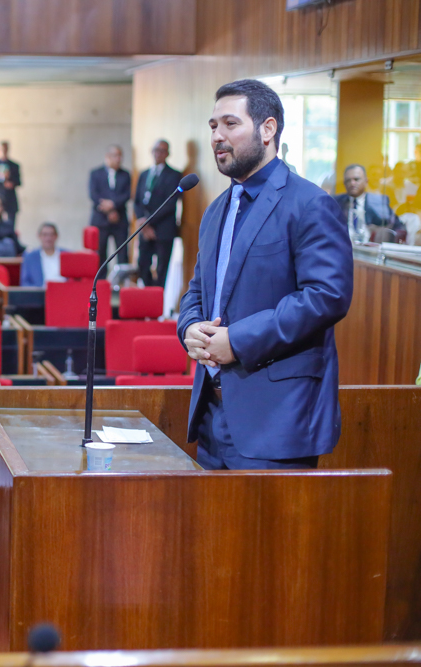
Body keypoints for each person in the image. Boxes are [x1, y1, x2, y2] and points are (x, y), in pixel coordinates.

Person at [178, 78, 353, 470]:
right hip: (211, 415)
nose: (217, 137)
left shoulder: (309, 204)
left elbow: (326, 297)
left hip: (278, 422)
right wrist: (188, 328)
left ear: (268, 129)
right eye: (212, 126)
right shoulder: (216, 209)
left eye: (230, 124)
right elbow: (199, 290)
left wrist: (237, 341)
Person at [133, 140, 183, 288]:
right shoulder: (144, 174)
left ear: (167, 154)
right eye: (156, 150)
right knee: (142, 263)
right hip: (145, 228)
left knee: (161, 268)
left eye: (162, 151)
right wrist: (143, 221)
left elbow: (170, 204)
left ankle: (158, 300)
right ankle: (148, 295)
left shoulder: (174, 175)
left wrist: (148, 222)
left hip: (163, 228)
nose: (158, 153)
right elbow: (137, 201)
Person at [333, 164, 405, 243]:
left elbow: (398, 227)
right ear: (344, 183)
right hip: (344, 246)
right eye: (348, 180)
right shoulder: (336, 202)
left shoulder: (379, 201)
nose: (352, 183)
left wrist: (383, 233)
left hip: (371, 248)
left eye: (356, 179)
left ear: (366, 181)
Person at [89, 145, 132, 270]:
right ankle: (100, 283)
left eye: (120, 156)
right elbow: (93, 194)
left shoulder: (125, 175)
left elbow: (127, 194)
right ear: (107, 156)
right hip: (101, 220)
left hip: (120, 219)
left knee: (122, 253)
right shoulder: (96, 173)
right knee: (100, 253)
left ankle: (122, 283)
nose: (118, 159)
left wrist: (113, 205)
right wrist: (108, 209)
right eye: (115, 155)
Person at [20, 222, 68, 287]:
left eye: (51, 235)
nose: (48, 238)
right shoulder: (30, 257)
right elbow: (25, 283)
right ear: (39, 236)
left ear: (56, 236)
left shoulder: (67, 255)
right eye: (45, 235)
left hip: (64, 291)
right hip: (41, 294)